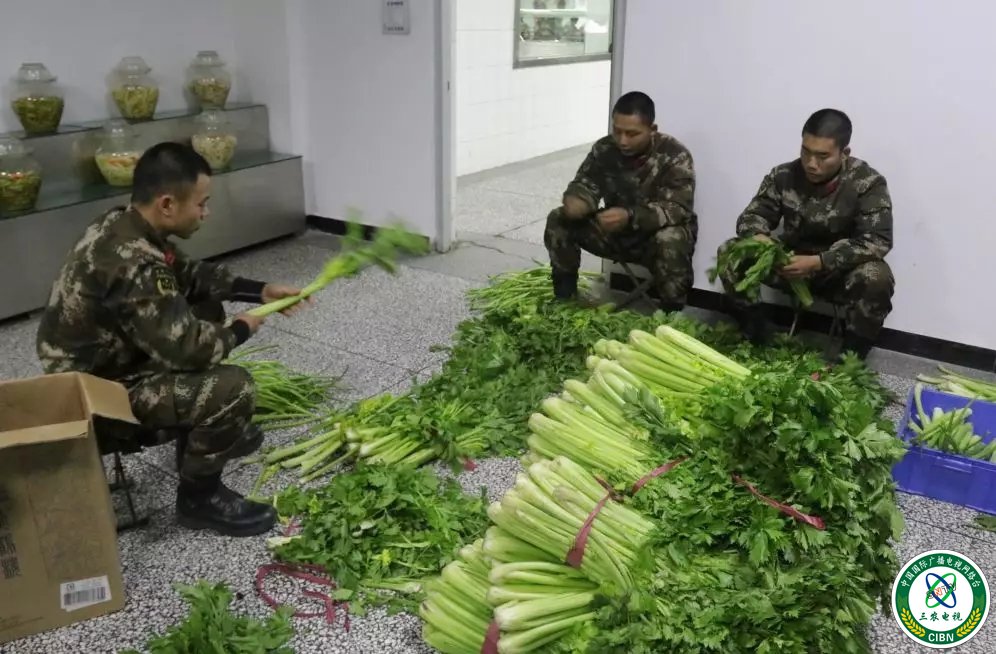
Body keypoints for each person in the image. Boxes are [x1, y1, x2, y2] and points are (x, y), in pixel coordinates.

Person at [36, 142, 310, 537]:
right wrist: (242, 327)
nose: (205, 212)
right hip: (96, 396)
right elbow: (191, 350)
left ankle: (194, 438)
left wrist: (260, 290)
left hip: (101, 361)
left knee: (206, 307)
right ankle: (200, 498)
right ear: (167, 204)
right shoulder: (134, 263)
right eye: (201, 203)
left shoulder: (126, 225)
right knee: (233, 389)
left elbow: (189, 275)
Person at [717, 109, 894, 359]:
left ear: (844, 153)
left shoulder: (867, 183)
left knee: (877, 277)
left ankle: (850, 359)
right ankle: (757, 335)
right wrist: (760, 238)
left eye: (823, 156)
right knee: (731, 252)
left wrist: (819, 262)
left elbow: (878, 240)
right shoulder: (784, 175)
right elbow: (752, 216)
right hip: (788, 264)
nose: (811, 163)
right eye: (805, 151)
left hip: (836, 273)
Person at [544, 91, 697, 312]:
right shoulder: (604, 149)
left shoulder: (675, 155)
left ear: (652, 130)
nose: (622, 141)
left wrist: (630, 216)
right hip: (615, 233)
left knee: (671, 238)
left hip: (653, 238)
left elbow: (678, 209)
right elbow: (585, 183)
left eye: (632, 134)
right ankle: (564, 298)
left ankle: (670, 315)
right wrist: (578, 200)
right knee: (558, 219)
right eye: (617, 131)